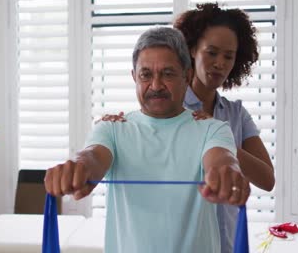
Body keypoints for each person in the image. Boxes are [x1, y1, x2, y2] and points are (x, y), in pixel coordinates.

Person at [45, 27, 250, 252]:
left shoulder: (213, 129)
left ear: (187, 75)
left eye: (168, 73)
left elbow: (222, 159)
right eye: (146, 75)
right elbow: (92, 156)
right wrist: (78, 167)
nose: (156, 85)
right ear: (134, 76)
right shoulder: (112, 129)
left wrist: (227, 173)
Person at [99, 3, 275, 253]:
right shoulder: (165, 104)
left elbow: (267, 180)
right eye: (211, 53)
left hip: (227, 240)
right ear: (192, 51)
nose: (219, 64)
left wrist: (218, 138)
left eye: (229, 56)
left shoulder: (235, 114)